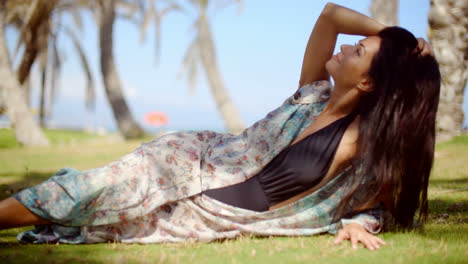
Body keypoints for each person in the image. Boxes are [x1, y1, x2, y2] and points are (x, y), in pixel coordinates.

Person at [0, 3, 439, 250]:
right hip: (185, 164)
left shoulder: (362, 143)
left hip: (208, 211)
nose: (345, 46)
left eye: (358, 52)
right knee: (93, 191)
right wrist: (394, 37)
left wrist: (362, 222)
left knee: (93, 220)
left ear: (367, 82)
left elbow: (373, 196)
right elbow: (329, 15)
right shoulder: (311, 95)